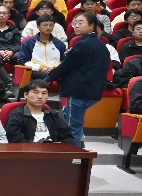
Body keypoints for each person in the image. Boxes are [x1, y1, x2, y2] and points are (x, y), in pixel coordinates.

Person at [45, 13, 112, 147]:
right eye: (75, 23)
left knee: (71, 127)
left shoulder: (85, 44)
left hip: (79, 91)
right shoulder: (99, 43)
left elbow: (67, 65)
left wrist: (48, 79)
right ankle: (80, 151)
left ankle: (72, 155)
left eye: (80, 23)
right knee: (74, 123)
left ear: (91, 26)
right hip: (92, 91)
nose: (75, 26)